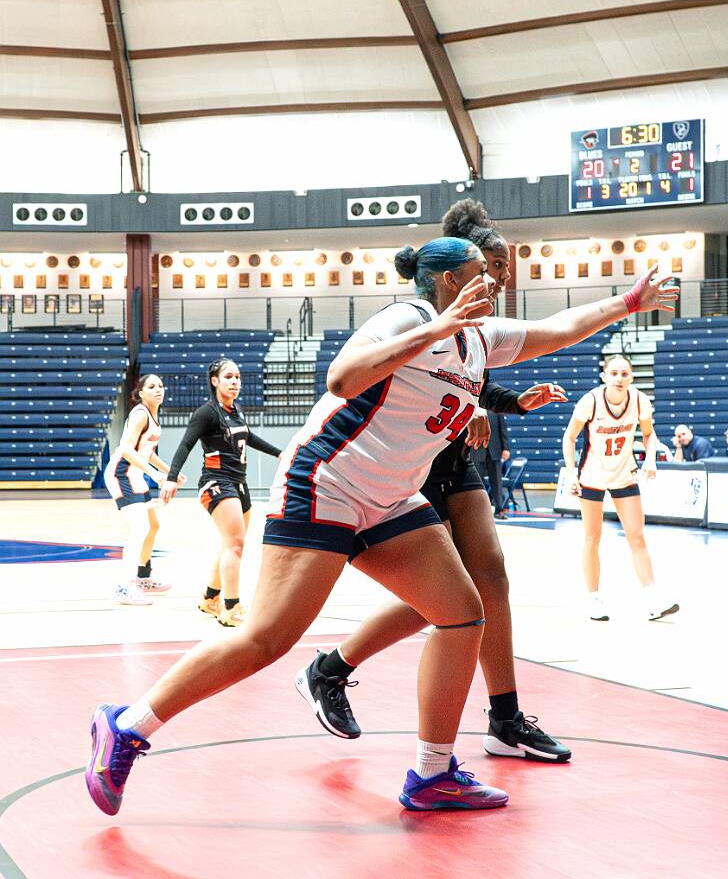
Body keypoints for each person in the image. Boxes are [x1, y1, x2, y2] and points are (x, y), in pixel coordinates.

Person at [85, 238, 677, 817]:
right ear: (450, 280)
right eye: (483, 270)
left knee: (462, 612)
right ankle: (127, 725)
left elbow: (558, 328)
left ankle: (433, 773)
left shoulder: (481, 339)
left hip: (391, 497)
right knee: (267, 638)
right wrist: (436, 329)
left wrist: (628, 303)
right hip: (327, 484)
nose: (495, 282)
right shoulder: (408, 317)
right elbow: (341, 379)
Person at [297, 200, 574, 765]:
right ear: (463, 268)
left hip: (455, 457)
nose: (503, 276)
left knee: (491, 577)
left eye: (505, 266)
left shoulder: (480, 317)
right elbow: (424, 373)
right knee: (446, 597)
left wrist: (506, 402)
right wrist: (479, 406)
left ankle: (505, 718)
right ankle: (332, 667)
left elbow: (471, 379)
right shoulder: (425, 308)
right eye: (495, 265)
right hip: (414, 458)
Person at [160, 359, 281, 628]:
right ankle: (231, 608)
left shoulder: (236, 409)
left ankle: (210, 598)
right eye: (228, 377)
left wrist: (279, 454)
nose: (234, 381)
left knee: (231, 544)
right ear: (215, 381)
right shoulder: (207, 412)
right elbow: (185, 444)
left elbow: (248, 437)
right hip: (216, 482)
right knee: (235, 545)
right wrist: (171, 478)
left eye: (237, 376)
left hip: (239, 484)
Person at [562, 354, 677, 622]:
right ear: (604, 376)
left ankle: (653, 599)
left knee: (637, 537)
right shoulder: (590, 401)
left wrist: (650, 459)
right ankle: (593, 598)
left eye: (624, 374)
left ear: (631, 377)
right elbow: (569, 437)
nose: (619, 378)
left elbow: (648, 434)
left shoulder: (639, 400)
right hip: (592, 475)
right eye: (614, 373)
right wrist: (571, 474)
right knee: (593, 537)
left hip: (624, 474)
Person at [104, 374, 183, 605]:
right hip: (121, 474)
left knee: (152, 526)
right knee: (139, 528)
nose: (158, 389)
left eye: (161, 385)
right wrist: (154, 474)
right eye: (151, 386)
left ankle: (142, 578)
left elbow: (147, 452)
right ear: (141, 393)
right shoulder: (140, 414)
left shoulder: (153, 415)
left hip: (135, 475)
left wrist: (171, 472)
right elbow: (125, 449)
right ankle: (124, 586)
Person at [472, 403, 509, 517]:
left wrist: (506, 448)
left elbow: (502, 429)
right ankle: (479, 510)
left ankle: (499, 509)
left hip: (494, 450)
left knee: (497, 481)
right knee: (477, 482)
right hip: (477, 449)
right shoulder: (472, 407)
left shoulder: (497, 408)